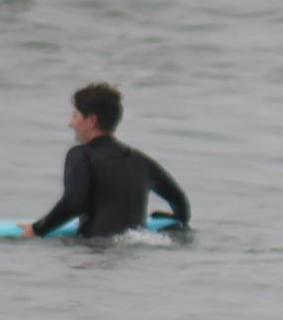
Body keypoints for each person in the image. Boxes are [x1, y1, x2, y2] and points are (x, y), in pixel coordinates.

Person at [21, 83, 190, 239]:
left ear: (92, 121)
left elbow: (73, 204)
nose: (70, 124)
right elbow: (178, 198)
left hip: (96, 250)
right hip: (134, 252)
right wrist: (177, 218)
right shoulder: (140, 160)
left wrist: (36, 230)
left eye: (75, 116)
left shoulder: (81, 154)